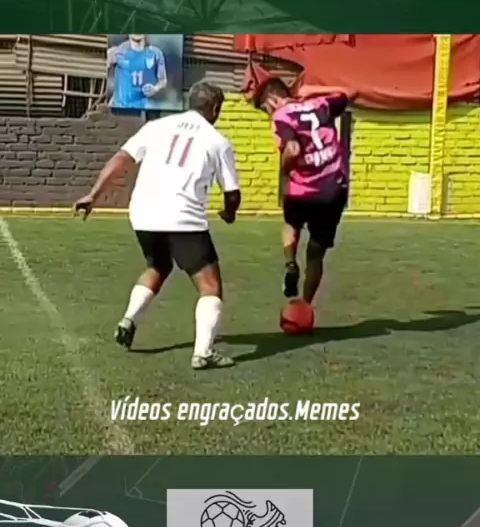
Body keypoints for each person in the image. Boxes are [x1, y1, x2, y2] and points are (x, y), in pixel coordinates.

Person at [74, 81, 241, 370]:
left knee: (158, 266)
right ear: (215, 108)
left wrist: (94, 195)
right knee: (210, 286)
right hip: (184, 218)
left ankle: (129, 319)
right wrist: (229, 213)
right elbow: (232, 193)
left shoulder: (156, 127)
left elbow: (121, 158)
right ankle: (203, 353)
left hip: (143, 214)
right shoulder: (217, 141)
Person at [254, 77, 355, 307]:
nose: (267, 113)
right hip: (332, 188)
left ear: (272, 99)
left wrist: (284, 169)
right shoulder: (320, 104)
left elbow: (292, 149)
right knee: (316, 254)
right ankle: (305, 305)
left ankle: (290, 263)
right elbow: (349, 93)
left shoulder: (281, 116)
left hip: (301, 189)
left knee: (291, 225)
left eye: (264, 108)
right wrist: (313, 90)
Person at [107, 34, 167, 110]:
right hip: (118, 107)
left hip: (142, 109)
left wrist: (155, 89)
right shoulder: (115, 52)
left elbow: (163, 81)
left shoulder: (156, 54)